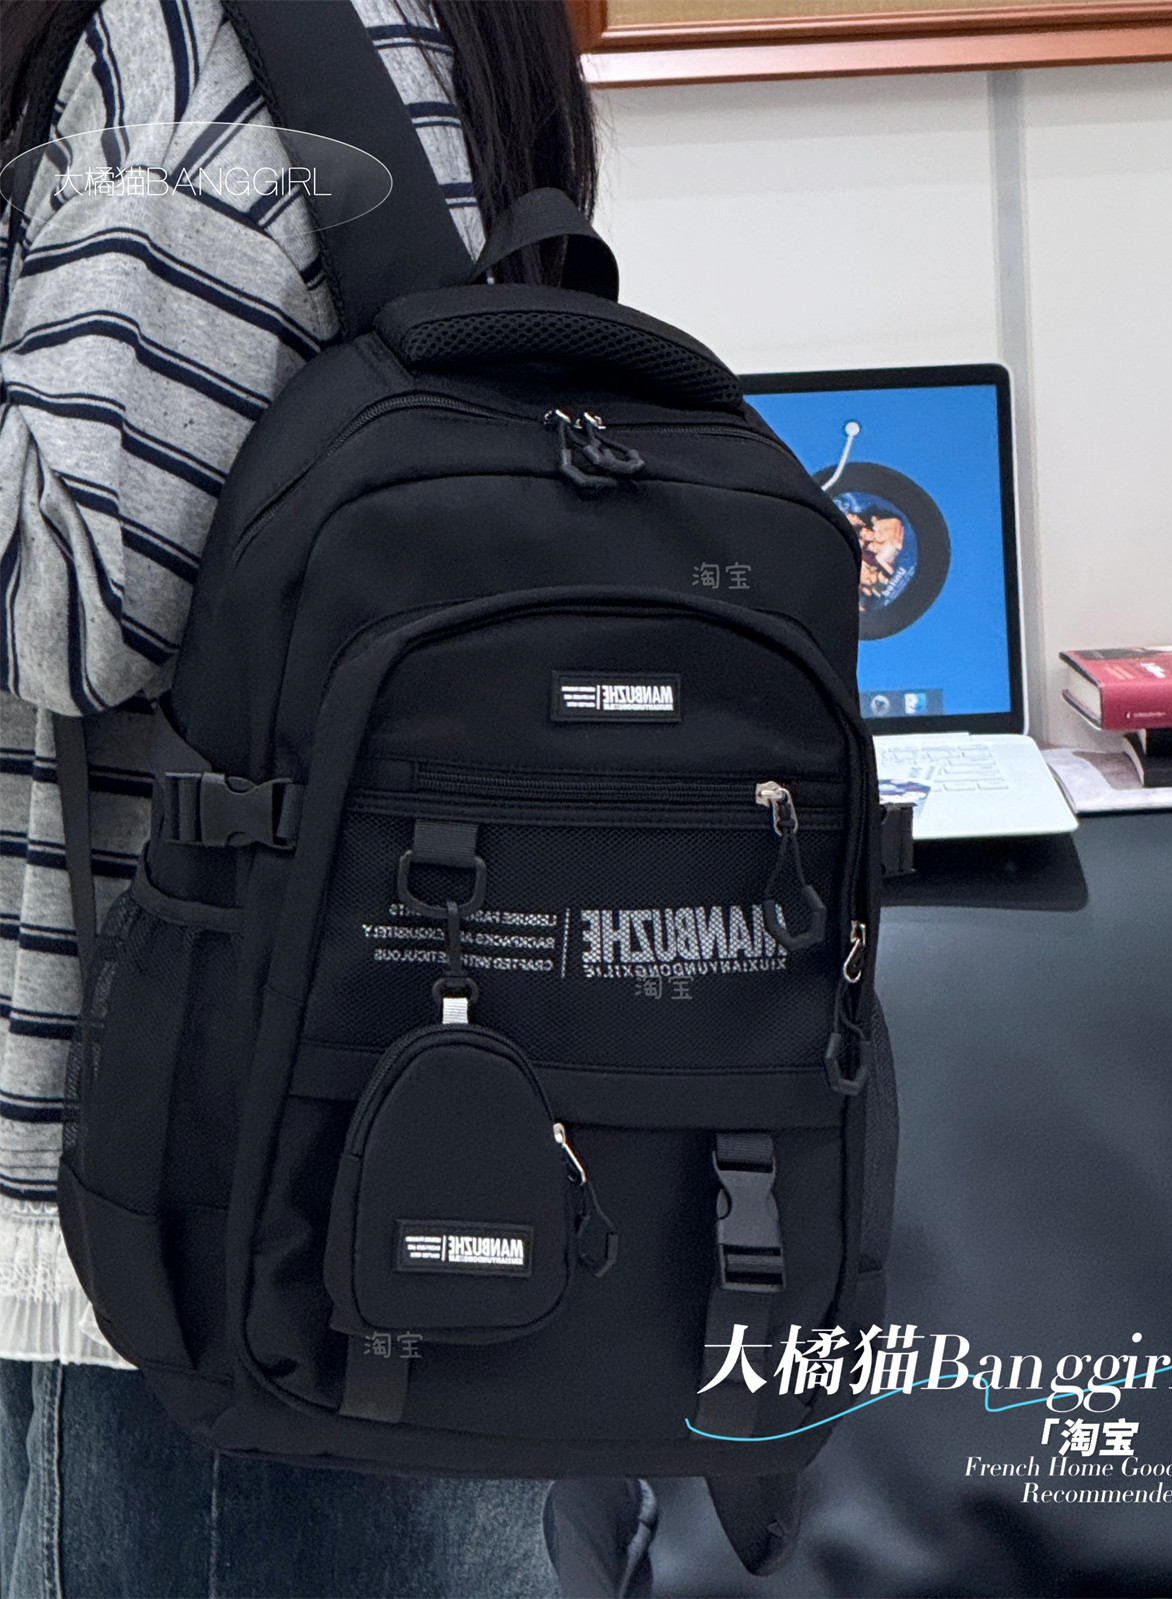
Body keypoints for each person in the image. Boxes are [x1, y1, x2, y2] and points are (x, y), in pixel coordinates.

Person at [0, 3, 650, 1594]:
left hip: (194, 1237)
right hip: (366, 1149)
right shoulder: (391, 40)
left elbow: (65, 596)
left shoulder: (186, 60)